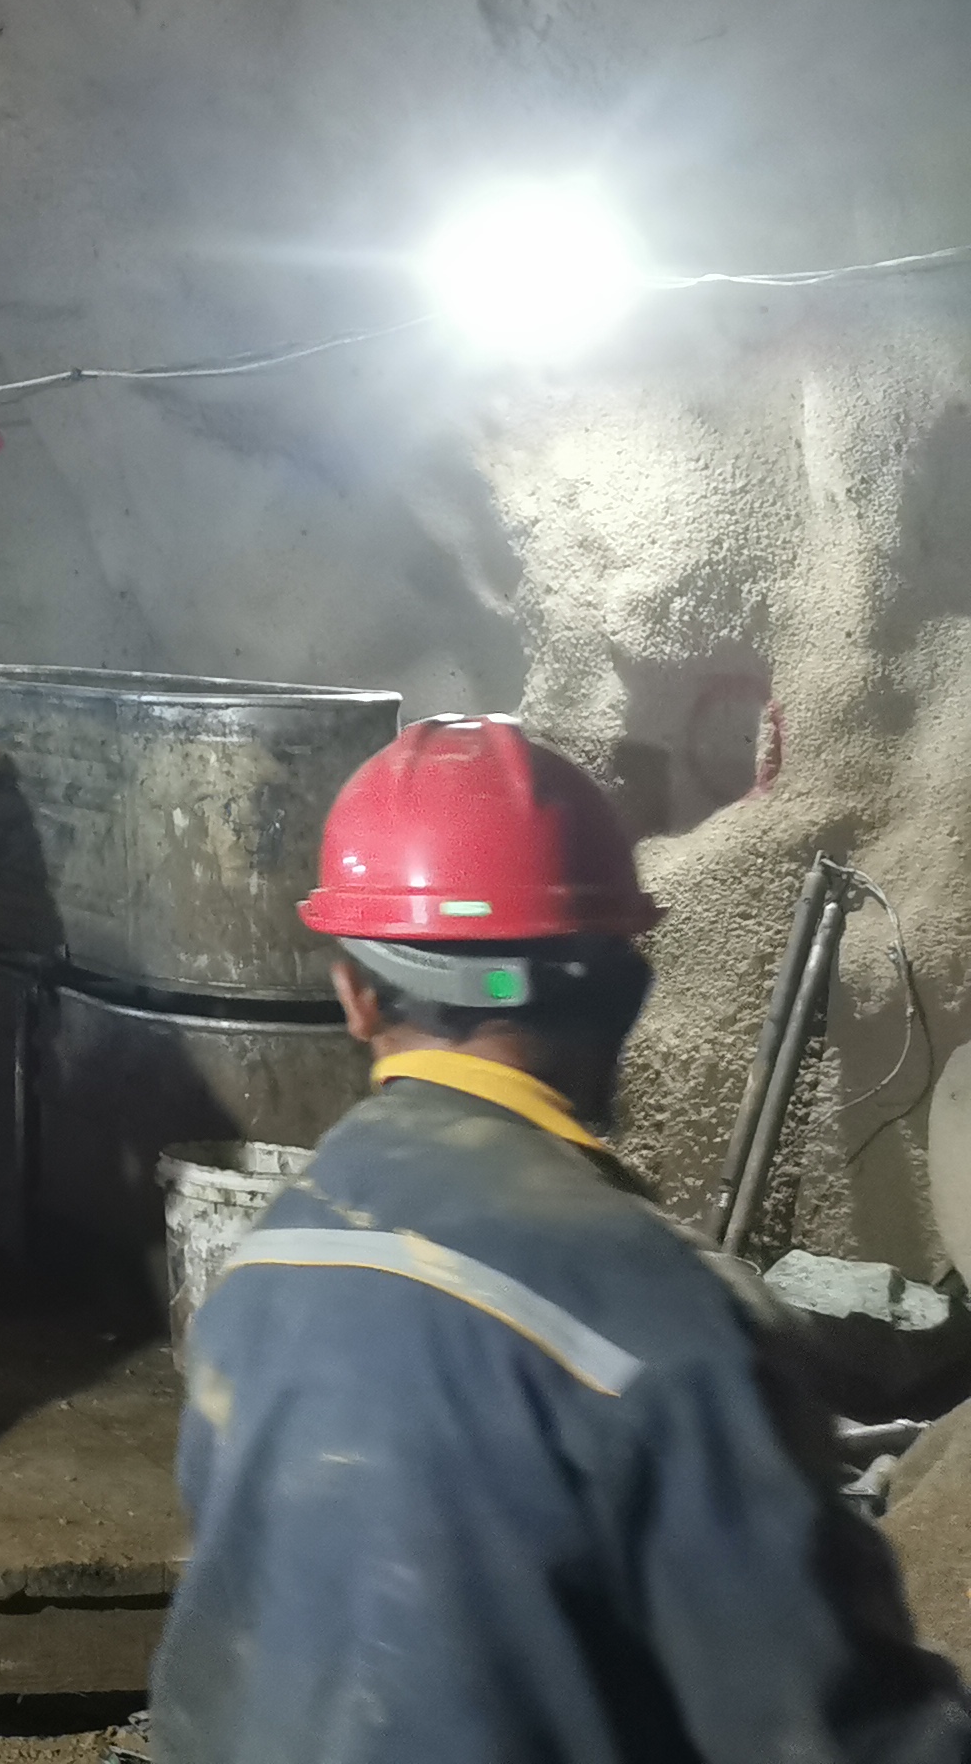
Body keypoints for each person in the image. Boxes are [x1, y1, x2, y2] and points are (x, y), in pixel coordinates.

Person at [150, 714, 971, 1763]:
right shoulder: (672, 1328)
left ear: (353, 994)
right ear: (624, 986)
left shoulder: (261, 1276)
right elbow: (846, 1739)